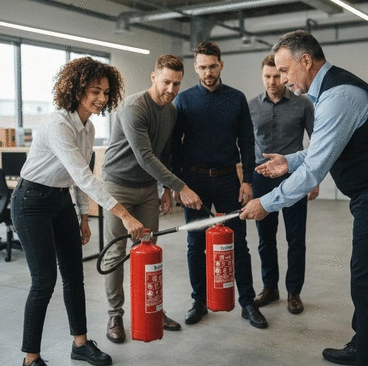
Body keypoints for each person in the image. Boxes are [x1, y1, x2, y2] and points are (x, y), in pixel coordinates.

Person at [240, 30, 368, 366]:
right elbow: (323, 147)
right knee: (365, 279)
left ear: (306, 61)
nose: (282, 80)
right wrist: (288, 160)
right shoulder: (330, 94)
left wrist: (265, 204)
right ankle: (362, 343)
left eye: (284, 71)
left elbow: (314, 171)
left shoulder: (339, 97)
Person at [10, 57, 145, 366]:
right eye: (94, 91)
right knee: (43, 281)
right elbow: (83, 176)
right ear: (76, 89)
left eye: (106, 92)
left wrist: (84, 216)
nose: (101, 99)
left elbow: (78, 176)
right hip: (31, 202)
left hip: (60, 202)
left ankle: (80, 345)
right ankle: (31, 358)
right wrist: (124, 214)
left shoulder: (88, 127)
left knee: (74, 276)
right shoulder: (58, 123)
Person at [102, 54, 202, 344]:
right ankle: (115, 315)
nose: (171, 89)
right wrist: (182, 186)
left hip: (148, 189)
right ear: (153, 77)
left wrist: (167, 191)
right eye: (166, 81)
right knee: (116, 252)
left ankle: (151, 311)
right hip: (118, 186)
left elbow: (165, 153)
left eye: (177, 84)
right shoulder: (134, 107)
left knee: (148, 252)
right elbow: (145, 156)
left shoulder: (170, 111)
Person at [171, 41, 268, 329]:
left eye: (212, 66)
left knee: (239, 243)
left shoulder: (236, 99)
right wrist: (179, 184)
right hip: (195, 181)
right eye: (202, 67)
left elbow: (248, 143)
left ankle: (248, 302)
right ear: (195, 67)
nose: (208, 72)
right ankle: (199, 301)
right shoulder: (185, 100)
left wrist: (248, 181)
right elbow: (175, 145)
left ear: (221, 64)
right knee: (195, 244)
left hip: (228, 180)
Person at [248, 53, 319, 315]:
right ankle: (270, 288)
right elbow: (245, 145)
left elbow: (316, 143)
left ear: (283, 74)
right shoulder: (252, 105)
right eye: (267, 76)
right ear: (262, 76)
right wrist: (244, 181)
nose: (272, 81)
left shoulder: (303, 105)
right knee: (265, 238)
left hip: (295, 176)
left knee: (295, 238)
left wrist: (314, 180)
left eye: (277, 75)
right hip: (261, 177)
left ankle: (294, 292)